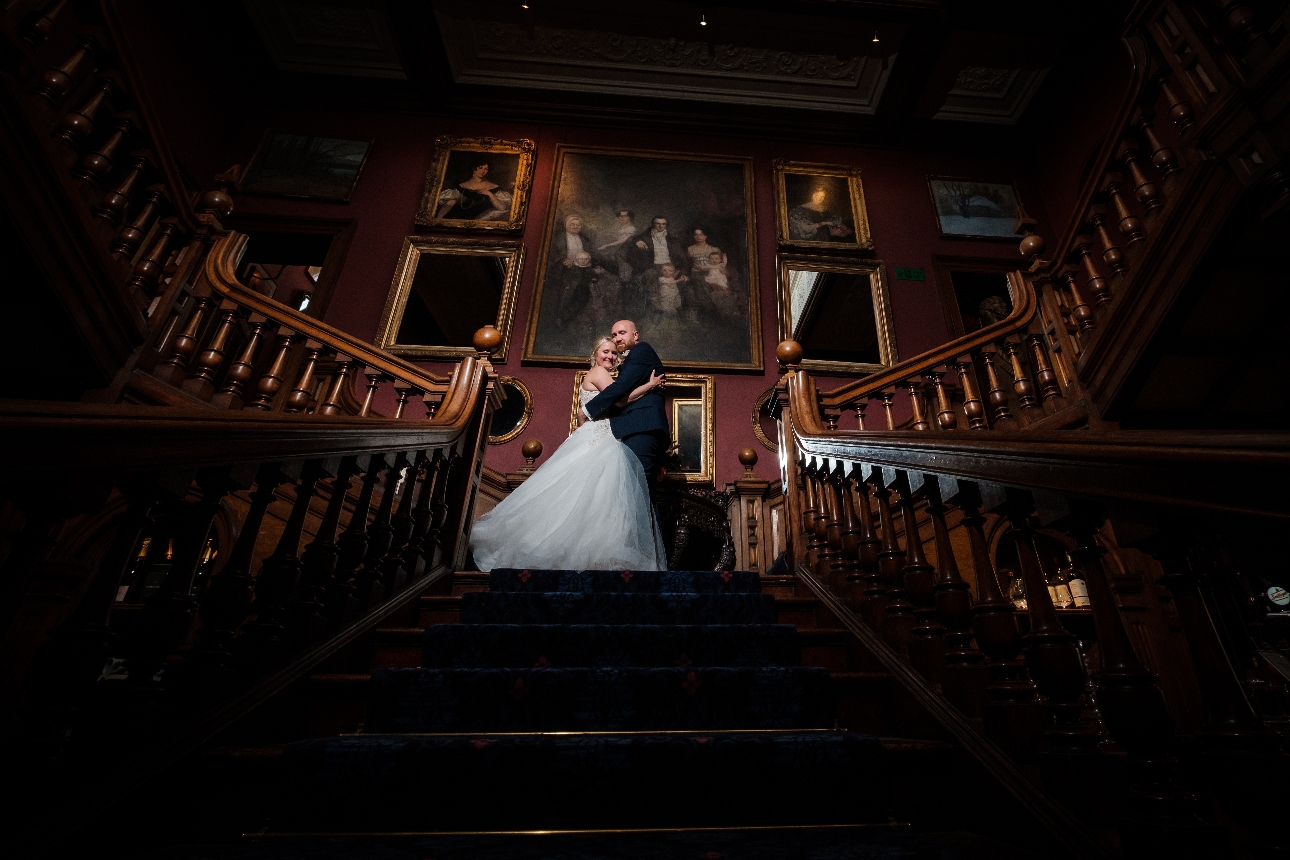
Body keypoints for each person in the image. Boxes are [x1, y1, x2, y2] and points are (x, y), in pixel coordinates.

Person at [469, 337, 668, 571]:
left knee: (588, 497)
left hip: (600, 435)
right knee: (595, 495)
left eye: (614, 353)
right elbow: (621, 401)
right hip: (600, 438)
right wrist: (651, 385)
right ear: (595, 354)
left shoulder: (598, 375)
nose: (610, 357)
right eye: (606, 351)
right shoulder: (600, 373)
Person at [584, 319, 669, 476]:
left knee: (638, 483)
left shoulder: (642, 350)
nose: (617, 338)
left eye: (622, 333)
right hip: (632, 430)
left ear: (635, 335)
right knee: (634, 485)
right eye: (614, 335)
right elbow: (621, 399)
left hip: (643, 427)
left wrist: (586, 411)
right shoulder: (619, 366)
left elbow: (620, 388)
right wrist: (650, 385)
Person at [436, 160, 512, 221]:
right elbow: (449, 204)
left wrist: (489, 194)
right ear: (474, 168)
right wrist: (438, 220)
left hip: (483, 218)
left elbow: (502, 208)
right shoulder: (462, 186)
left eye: (486, 169)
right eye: (480, 168)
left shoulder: (493, 187)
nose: (483, 171)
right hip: (461, 217)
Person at [625, 216, 689, 277]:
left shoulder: (673, 240)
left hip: (670, 266)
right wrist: (637, 241)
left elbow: (682, 257)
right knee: (650, 275)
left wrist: (680, 270)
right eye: (658, 223)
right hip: (653, 267)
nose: (661, 226)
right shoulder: (644, 237)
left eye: (663, 224)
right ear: (653, 224)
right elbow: (631, 241)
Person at [788, 187, 853, 242]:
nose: (819, 198)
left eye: (822, 196)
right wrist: (824, 223)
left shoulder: (827, 210)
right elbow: (806, 228)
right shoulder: (800, 210)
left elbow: (837, 222)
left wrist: (843, 228)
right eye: (817, 195)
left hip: (830, 241)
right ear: (811, 194)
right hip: (813, 241)